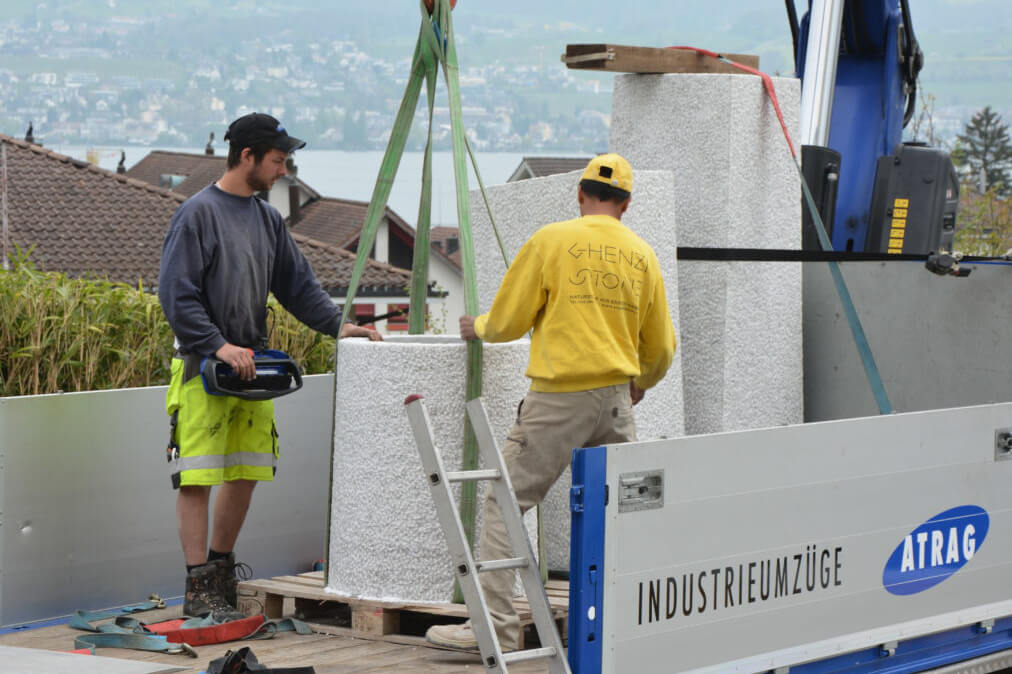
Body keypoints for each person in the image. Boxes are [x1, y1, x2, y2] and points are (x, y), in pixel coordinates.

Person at [425, 153, 676, 651]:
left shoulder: (552, 241)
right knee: (625, 512)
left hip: (559, 398)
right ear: (627, 203)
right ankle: (628, 630)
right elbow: (662, 347)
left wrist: (480, 327)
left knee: (505, 501)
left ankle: (495, 631)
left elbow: (510, 322)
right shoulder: (642, 255)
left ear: (580, 195)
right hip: (615, 402)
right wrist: (640, 383)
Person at [158, 112, 381, 622]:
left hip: (253, 369)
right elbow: (177, 294)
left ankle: (220, 569)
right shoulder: (197, 214)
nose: (284, 171)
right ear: (247, 156)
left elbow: (298, 285)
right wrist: (217, 345)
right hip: (202, 370)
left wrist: (340, 326)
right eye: (278, 161)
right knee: (196, 476)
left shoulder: (266, 220)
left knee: (245, 471)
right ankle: (199, 588)